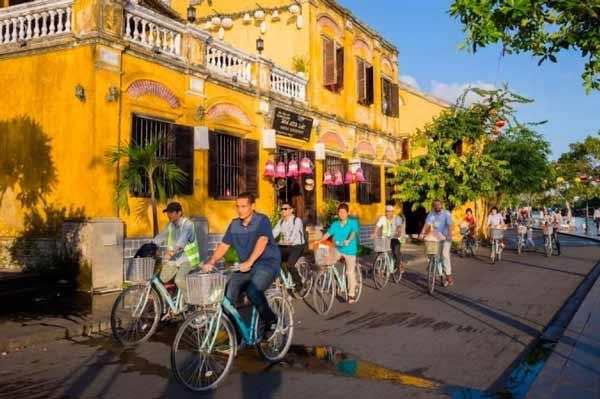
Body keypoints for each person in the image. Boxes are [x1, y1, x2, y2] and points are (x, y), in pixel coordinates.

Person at [201, 192, 281, 338]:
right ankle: (236, 335)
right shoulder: (234, 224)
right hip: (244, 266)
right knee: (227, 296)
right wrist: (212, 261)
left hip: (266, 264)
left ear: (252, 206)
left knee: (253, 291)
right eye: (238, 206)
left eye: (244, 206)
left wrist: (250, 262)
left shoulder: (261, 220)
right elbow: (224, 245)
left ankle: (271, 319)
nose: (240, 210)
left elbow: (262, 241)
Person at [152, 202, 200, 303]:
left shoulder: (188, 225)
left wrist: (170, 253)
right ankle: (165, 303)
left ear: (179, 213)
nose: (169, 214)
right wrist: (150, 246)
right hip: (174, 260)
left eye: (172, 212)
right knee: (161, 279)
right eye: (168, 212)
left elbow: (181, 242)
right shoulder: (170, 225)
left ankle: (192, 301)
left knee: (179, 280)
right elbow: (160, 237)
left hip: (188, 260)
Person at [319, 203, 360, 303]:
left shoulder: (353, 222)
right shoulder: (335, 224)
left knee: (349, 272)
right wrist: (319, 242)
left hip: (350, 251)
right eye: (339, 212)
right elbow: (328, 234)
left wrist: (348, 240)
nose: (341, 214)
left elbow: (353, 233)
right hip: (338, 249)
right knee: (328, 262)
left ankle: (351, 295)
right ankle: (336, 281)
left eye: (343, 212)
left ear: (347, 213)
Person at [419, 200, 454, 286]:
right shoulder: (431, 214)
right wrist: (422, 233)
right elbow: (426, 224)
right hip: (436, 238)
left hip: (445, 237)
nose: (437, 206)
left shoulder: (446, 213)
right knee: (431, 253)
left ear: (441, 205)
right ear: (433, 206)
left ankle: (448, 275)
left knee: (445, 254)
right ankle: (433, 267)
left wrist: (449, 235)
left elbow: (449, 225)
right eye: (435, 205)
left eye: (438, 204)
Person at [272, 201, 306, 290]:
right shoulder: (281, 221)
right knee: (273, 259)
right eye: (282, 209)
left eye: (285, 209)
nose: (283, 211)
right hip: (285, 246)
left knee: (290, 265)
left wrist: (290, 241)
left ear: (291, 210)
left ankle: (299, 283)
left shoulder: (297, 220)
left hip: (297, 246)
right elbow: (274, 232)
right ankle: (278, 280)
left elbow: (295, 233)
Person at [372, 205, 404, 273]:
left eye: (390, 212)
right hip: (385, 238)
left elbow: (399, 227)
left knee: (395, 252)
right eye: (387, 212)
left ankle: (399, 265)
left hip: (396, 237)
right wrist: (374, 233)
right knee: (380, 251)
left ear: (393, 212)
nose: (388, 213)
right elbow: (377, 226)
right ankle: (380, 266)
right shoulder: (382, 218)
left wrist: (398, 232)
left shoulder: (397, 218)